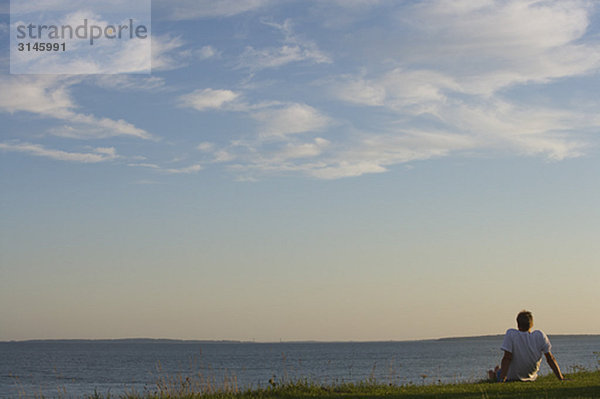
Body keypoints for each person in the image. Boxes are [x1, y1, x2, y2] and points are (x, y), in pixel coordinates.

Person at [488, 310, 565, 382]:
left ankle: (494, 374)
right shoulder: (539, 335)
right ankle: (496, 371)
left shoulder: (511, 334)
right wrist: (560, 378)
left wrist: (502, 378)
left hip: (512, 376)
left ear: (518, 324)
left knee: (494, 371)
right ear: (531, 324)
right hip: (530, 376)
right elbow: (550, 358)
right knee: (498, 369)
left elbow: (507, 357)